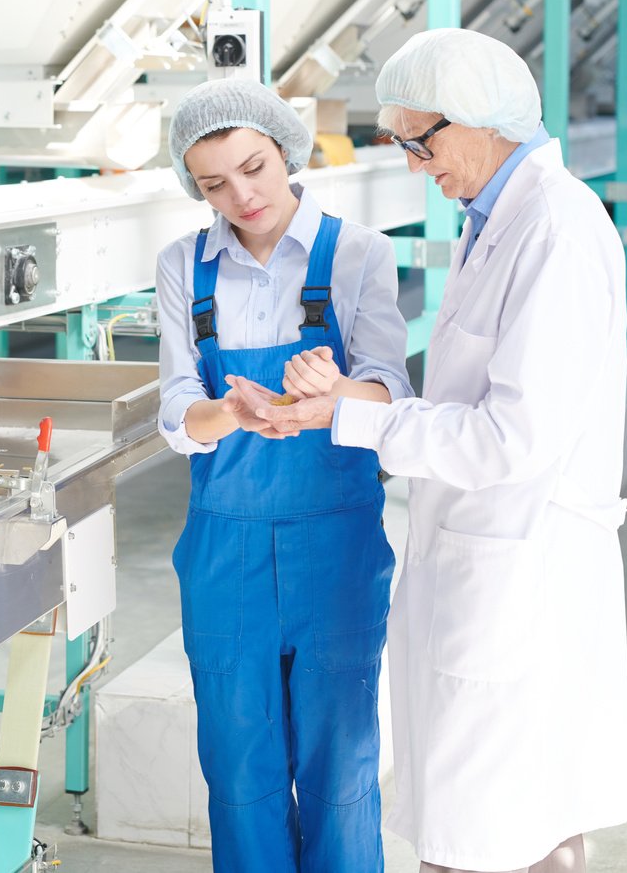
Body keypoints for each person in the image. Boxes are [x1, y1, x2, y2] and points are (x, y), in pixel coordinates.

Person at [251, 28, 627, 873]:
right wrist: (350, 397)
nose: (417, 166)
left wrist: (354, 422)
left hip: (519, 569)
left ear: (480, 123)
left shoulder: (556, 234)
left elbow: (509, 438)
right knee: (505, 819)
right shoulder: (495, 216)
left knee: (498, 827)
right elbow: (471, 399)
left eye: (421, 143)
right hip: (485, 558)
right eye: (400, 146)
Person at [155, 77, 410, 872]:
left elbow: (390, 391)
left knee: (340, 766)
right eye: (214, 184)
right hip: (224, 551)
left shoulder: (359, 253)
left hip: (334, 545)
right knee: (238, 768)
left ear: (286, 152)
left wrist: (330, 394)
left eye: (254, 167)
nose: (242, 194)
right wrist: (229, 412)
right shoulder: (181, 265)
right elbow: (175, 412)